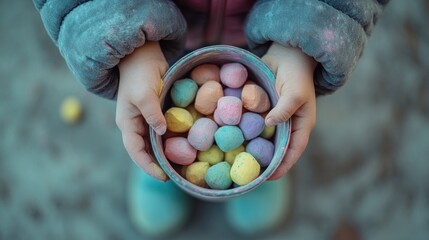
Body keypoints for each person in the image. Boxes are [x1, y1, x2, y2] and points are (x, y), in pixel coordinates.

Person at [33, 0, 389, 237]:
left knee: (281, 104)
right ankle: (161, 169)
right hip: (159, 40)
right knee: (152, 110)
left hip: (273, 40)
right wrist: (125, 42)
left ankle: (262, 174)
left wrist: (307, 36)